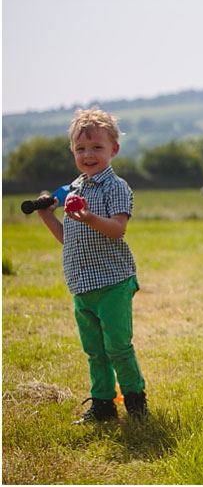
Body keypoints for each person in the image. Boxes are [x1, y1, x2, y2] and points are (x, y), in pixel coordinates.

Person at [35, 107, 148, 424]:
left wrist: (88, 217)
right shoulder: (73, 190)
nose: (88, 154)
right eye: (81, 148)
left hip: (112, 282)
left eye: (97, 147)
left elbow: (117, 229)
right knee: (95, 351)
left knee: (118, 348)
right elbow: (68, 240)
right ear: (72, 151)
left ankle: (136, 403)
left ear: (113, 149)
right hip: (81, 286)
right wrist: (47, 216)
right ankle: (103, 405)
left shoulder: (116, 188)